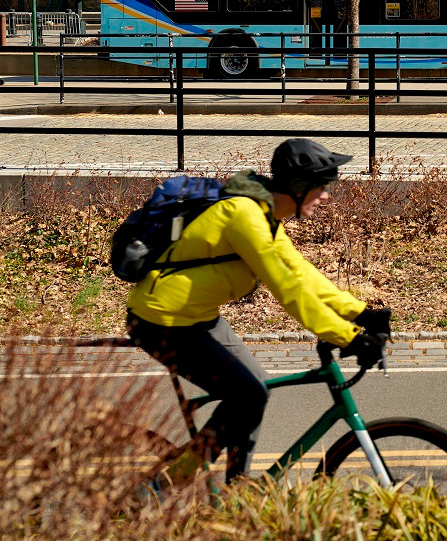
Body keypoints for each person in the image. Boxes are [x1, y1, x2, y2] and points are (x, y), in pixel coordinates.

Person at [126, 138, 392, 485]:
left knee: (255, 391)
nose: (327, 196)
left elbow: (299, 271)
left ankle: (237, 488)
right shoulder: (244, 216)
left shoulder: (265, 215)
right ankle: (170, 480)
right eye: (322, 187)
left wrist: (359, 313)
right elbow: (288, 290)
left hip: (197, 317)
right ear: (298, 187)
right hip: (160, 321)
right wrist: (349, 338)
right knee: (247, 394)